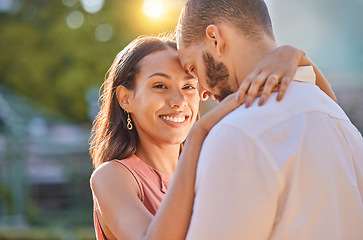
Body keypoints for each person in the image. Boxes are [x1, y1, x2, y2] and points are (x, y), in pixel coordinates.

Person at [89, 35, 338, 239]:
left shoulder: (210, 161)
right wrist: (198, 134)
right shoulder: (112, 176)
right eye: (160, 86)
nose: (178, 101)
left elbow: (332, 123)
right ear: (125, 98)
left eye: (188, 87)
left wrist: (299, 58)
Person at [176, 0, 363, 239]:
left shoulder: (237, 134)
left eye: (192, 68)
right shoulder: (342, 124)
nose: (200, 90)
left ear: (215, 38)